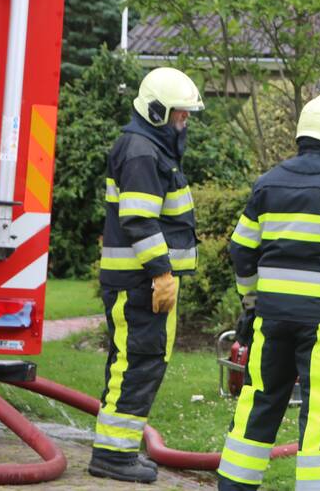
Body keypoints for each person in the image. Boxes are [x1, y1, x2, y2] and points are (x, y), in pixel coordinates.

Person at [216, 93, 320, 491]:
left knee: (259, 400)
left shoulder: (268, 183)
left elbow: (241, 250)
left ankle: (234, 486)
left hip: (271, 319)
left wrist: (251, 302)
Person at [88, 67, 204, 484]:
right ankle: (113, 458)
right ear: (157, 111)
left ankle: (118, 452)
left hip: (143, 282)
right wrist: (160, 272)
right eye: (180, 114)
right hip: (139, 282)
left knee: (142, 362)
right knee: (135, 363)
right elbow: (138, 219)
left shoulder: (150, 148)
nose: (185, 121)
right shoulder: (141, 151)